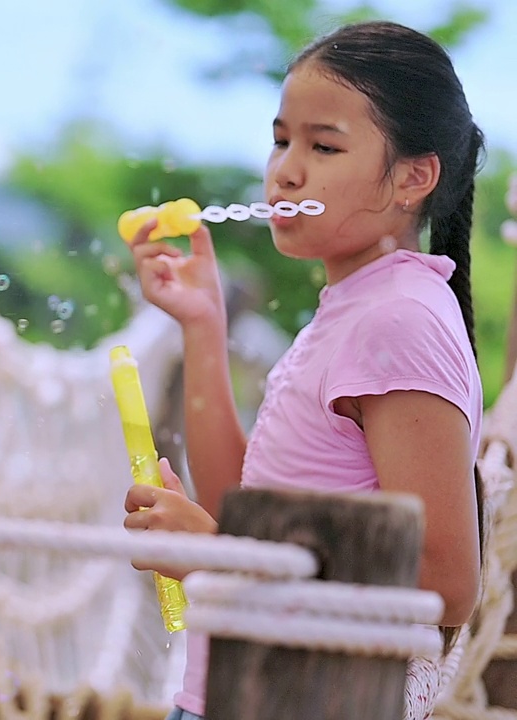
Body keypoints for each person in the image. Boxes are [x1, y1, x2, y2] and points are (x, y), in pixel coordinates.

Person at [122, 21, 486, 720]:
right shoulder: (357, 310)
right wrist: (203, 326)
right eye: (281, 138)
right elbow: (244, 510)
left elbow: (444, 579)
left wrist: (216, 558)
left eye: (323, 146)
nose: (286, 170)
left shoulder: (397, 319)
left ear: (414, 177)